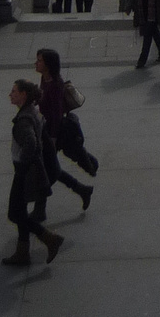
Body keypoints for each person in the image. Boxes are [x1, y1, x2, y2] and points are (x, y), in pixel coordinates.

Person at [1, 79, 64, 267]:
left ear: (23, 95)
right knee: (20, 211)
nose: (10, 94)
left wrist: (22, 164)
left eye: (14, 91)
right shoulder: (33, 113)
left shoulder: (24, 120)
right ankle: (22, 252)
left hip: (24, 172)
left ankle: (49, 238)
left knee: (15, 213)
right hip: (31, 170)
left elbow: (31, 143)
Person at [33, 49, 94, 218]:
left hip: (53, 134)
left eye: (39, 61)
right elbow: (44, 101)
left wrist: (52, 138)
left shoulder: (56, 85)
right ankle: (82, 190)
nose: (36, 63)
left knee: (46, 171)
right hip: (46, 130)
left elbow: (57, 113)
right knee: (51, 170)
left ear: (48, 65)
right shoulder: (45, 79)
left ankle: (40, 209)